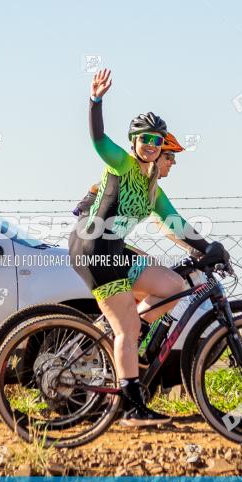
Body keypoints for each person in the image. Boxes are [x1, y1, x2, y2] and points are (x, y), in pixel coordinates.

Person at [68, 68, 214, 427]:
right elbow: (98, 138)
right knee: (127, 330)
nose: (151, 146)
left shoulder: (154, 189)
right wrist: (95, 100)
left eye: (156, 141)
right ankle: (131, 407)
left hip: (115, 248)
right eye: (144, 139)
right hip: (93, 249)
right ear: (134, 142)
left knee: (171, 285)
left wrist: (209, 248)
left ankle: (120, 337)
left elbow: (175, 224)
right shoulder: (122, 163)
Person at [72, 132, 183, 216]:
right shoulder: (129, 167)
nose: (173, 162)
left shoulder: (151, 187)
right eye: (169, 157)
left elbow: (167, 224)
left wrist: (191, 247)